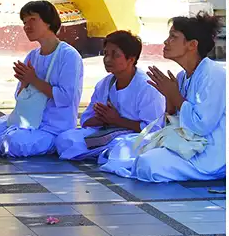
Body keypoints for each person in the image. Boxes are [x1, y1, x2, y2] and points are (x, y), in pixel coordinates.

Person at [99, 12, 226, 182]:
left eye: (173, 37)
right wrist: (170, 101)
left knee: (148, 163)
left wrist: (174, 95)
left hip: (206, 154)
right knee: (121, 147)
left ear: (192, 45)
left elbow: (201, 126)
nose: (166, 42)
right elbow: (174, 121)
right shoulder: (182, 76)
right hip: (185, 145)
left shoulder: (213, 74)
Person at [0, 1, 84, 157]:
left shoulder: (69, 56)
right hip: (27, 119)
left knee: (14, 143)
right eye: (24, 22)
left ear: (48, 21)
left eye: (32, 20)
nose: (27, 26)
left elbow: (66, 98)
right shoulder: (32, 55)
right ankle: (6, 138)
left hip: (52, 127)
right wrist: (25, 82)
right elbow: (20, 96)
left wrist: (34, 80)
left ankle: (47, 143)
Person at [54, 31, 165, 160]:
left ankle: (105, 154)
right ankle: (104, 154)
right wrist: (102, 118)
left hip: (132, 137)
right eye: (105, 53)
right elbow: (85, 121)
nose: (107, 59)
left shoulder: (147, 87)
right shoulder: (104, 84)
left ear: (131, 59)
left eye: (115, 55)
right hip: (106, 133)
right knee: (64, 139)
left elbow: (153, 129)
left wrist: (117, 120)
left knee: (123, 147)